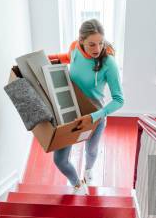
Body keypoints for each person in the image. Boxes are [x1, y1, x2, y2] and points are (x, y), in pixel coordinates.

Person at [47, 19, 124, 195]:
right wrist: (48, 57)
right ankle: (76, 184)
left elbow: (119, 99)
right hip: (71, 113)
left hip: (94, 117)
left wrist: (96, 116)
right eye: (91, 44)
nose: (97, 49)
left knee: (92, 149)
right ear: (81, 41)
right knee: (60, 160)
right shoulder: (75, 46)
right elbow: (69, 57)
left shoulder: (108, 63)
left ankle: (88, 172)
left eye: (100, 43)